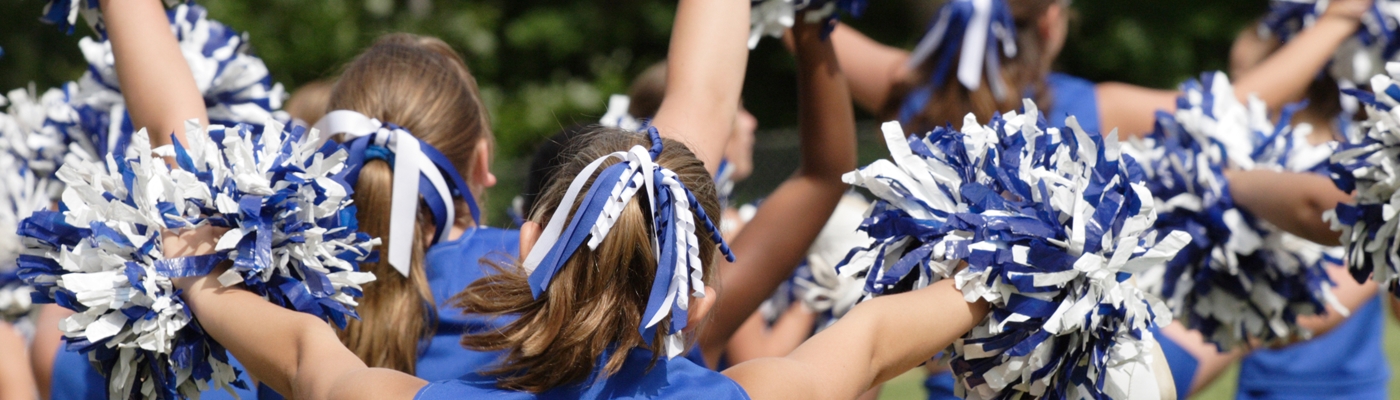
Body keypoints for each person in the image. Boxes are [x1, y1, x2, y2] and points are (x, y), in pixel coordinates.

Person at [827, 0, 1374, 136]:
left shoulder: (908, 90)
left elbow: (807, 24)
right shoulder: (1084, 108)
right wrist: (1339, 20)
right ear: (1050, 25)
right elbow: (1224, 110)